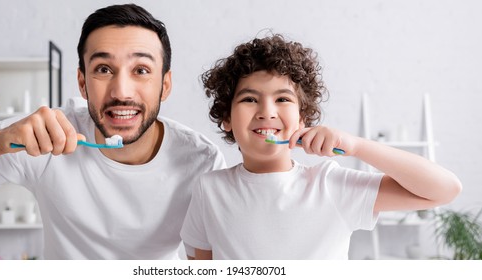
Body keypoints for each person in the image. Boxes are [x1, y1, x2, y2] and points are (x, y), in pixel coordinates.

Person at [0, 4, 226, 259]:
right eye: (103, 69)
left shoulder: (202, 162)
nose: (121, 91)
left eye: (140, 70)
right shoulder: (45, 137)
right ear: (82, 82)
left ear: (164, 85)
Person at [180, 34, 462, 260]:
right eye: (250, 99)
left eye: (282, 99)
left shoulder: (330, 184)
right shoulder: (209, 189)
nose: (267, 112)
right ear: (227, 118)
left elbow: (445, 189)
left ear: (302, 119)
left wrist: (357, 146)